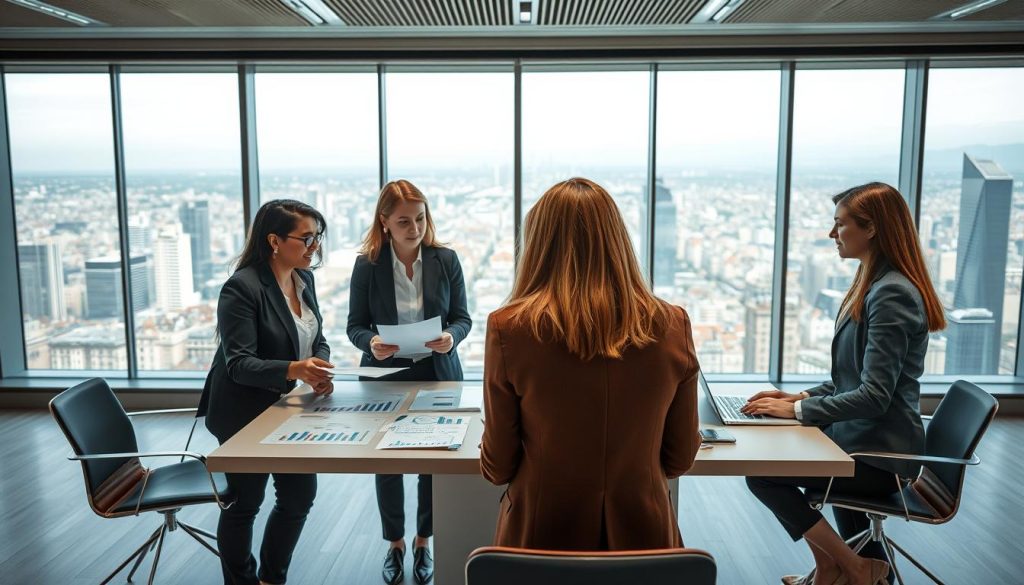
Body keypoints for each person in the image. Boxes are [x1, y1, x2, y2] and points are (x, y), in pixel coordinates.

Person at [480, 177, 701, 550]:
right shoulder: (672, 324)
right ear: (617, 241)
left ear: (538, 246)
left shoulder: (509, 328)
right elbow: (679, 458)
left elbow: (498, 465)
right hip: (644, 538)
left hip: (540, 538)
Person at [742, 182, 946, 585]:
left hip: (879, 457)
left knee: (762, 474)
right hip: (861, 442)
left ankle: (849, 568)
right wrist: (801, 397)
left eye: (840, 224)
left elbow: (874, 395)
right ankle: (841, 568)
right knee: (777, 465)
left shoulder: (891, 294)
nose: (832, 234)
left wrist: (798, 412)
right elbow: (850, 376)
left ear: (871, 229)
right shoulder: (874, 282)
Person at [198, 199, 334, 585]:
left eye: (317, 237)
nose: (314, 247)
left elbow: (316, 338)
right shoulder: (241, 288)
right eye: (306, 238)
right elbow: (238, 363)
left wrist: (317, 367)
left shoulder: (303, 279)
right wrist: (296, 369)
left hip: (288, 408)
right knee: (244, 505)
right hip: (241, 413)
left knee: (298, 498)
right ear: (274, 240)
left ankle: (273, 578)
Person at [347, 179, 472, 585]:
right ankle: (395, 542)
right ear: (384, 222)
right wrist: (372, 342)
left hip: (437, 372)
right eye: (403, 221)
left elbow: (463, 318)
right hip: (386, 373)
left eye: (420, 218)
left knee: (430, 463)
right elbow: (354, 326)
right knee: (387, 463)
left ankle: (423, 541)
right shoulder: (367, 264)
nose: (414, 228)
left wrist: (451, 337)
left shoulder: (445, 259)